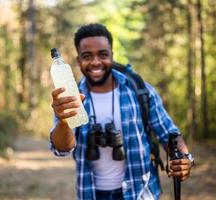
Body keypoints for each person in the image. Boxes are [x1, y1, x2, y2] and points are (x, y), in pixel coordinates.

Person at [49, 23, 194, 200]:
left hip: (141, 193)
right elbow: (62, 149)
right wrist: (63, 120)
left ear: (112, 55)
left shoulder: (139, 89)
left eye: (102, 54)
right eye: (87, 56)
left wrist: (185, 159)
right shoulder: (71, 97)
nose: (95, 62)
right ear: (78, 60)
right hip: (91, 193)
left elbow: (169, 133)